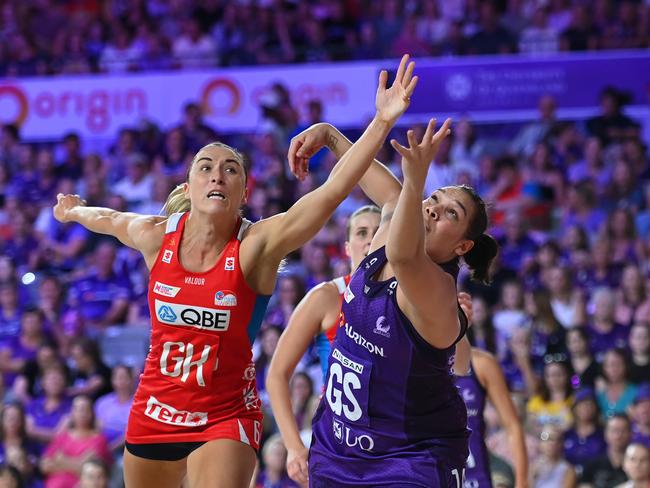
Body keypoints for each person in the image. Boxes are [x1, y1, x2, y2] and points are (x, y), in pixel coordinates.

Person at [52, 54, 419, 488]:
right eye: (205, 167)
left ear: (243, 192)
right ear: (188, 188)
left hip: (225, 414)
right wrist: (74, 212)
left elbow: (332, 192)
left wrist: (380, 122)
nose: (218, 175)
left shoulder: (255, 246)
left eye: (231, 170)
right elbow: (109, 219)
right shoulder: (155, 235)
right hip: (155, 407)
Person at [287, 112, 498, 485]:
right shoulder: (386, 233)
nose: (433, 208)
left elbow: (405, 256)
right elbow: (386, 190)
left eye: (451, 213)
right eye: (435, 198)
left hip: (408, 458)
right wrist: (331, 135)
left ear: (462, 246)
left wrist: (417, 180)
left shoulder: (438, 287)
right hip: (338, 449)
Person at [266, 205, 380, 484]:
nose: (369, 239)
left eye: (378, 232)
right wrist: (294, 447)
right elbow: (277, 375)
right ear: (347, 247)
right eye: (361, 232)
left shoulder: (411, 297)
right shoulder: (325, 296)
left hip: (396, 438)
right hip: (338, 439)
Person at [455, 347, 529, 488]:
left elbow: (512, 425)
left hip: (476, 476)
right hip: (433, 474)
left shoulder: (480, 363)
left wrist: (522, 482)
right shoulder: (418, 362)